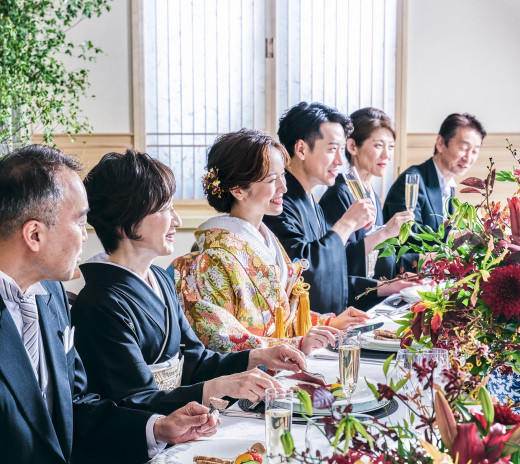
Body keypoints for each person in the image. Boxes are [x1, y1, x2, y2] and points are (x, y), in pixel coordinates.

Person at [0, 144, 220, 464]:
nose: (87, 236)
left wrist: (158, 427)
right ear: (34, 235)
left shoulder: (51, 294)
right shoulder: (96, 298)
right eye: (79, 221)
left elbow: (78, 405)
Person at [71, 149, 306, 417]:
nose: (177, 221)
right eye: (163, 208)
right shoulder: (99, 302)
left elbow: (195, 361)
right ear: (125, 226)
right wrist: (215, 387)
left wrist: (259, 357)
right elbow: (134, 400)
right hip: (144, 439)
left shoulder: (158, 277)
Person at [170, 129, 369, 355]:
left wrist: (328, 323)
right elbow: (220, 339)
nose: (283, 187)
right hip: (247, 381)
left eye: (282, 175)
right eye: (272, 179)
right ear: (238, 190)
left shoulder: (266, 240)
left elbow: (282, 316)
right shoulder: (213, 260)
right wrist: (296, 345)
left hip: (281, 367)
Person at [263, 101, 418, 314]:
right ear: (301, 149)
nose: (339, 160)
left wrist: (381, 288)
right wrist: (347, 223)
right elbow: (304, 273)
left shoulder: (311, 203)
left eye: (340, 149)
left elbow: (335, 272)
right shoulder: (278, 202)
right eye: (332, 149)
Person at [320, 107, 416, 279]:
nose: (387, 155)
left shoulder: (370, 193)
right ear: (352, 146)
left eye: (391, 147)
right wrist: (385, 232)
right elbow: (338, 258)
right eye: (378, 146)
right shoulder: (338, 195)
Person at [383, 112, 486, 232]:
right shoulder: (412, 180)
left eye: (474, 151)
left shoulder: (449, 185)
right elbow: (408, 233)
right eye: (463, 148)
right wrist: (451, 237)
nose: (468, 158)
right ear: (440, 143)